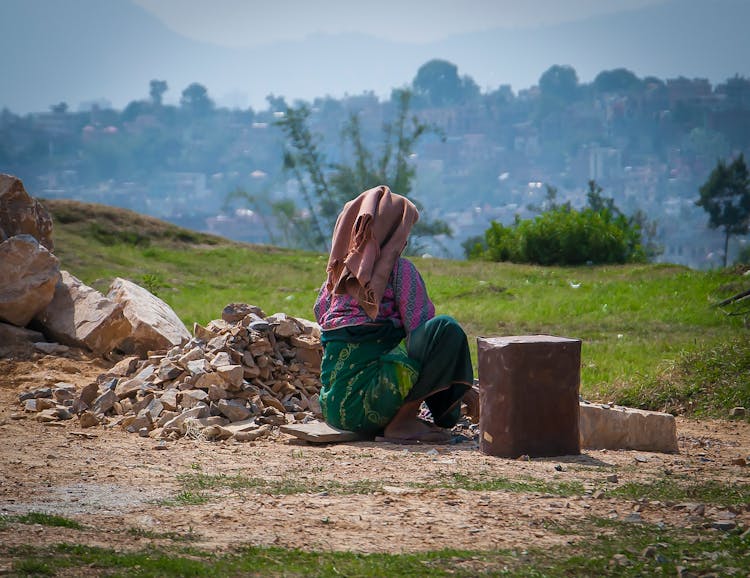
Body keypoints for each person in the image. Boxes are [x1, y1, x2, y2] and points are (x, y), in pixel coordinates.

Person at [313, 185, 474, 443]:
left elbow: (321, 315)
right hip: (372, 403)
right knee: (445, 329)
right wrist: (461, 392)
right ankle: (404, 422)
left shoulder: (335, 280)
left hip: (336, 410)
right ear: (393, 233)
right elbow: (422, 332)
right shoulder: (400, 271)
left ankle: (393, 418)